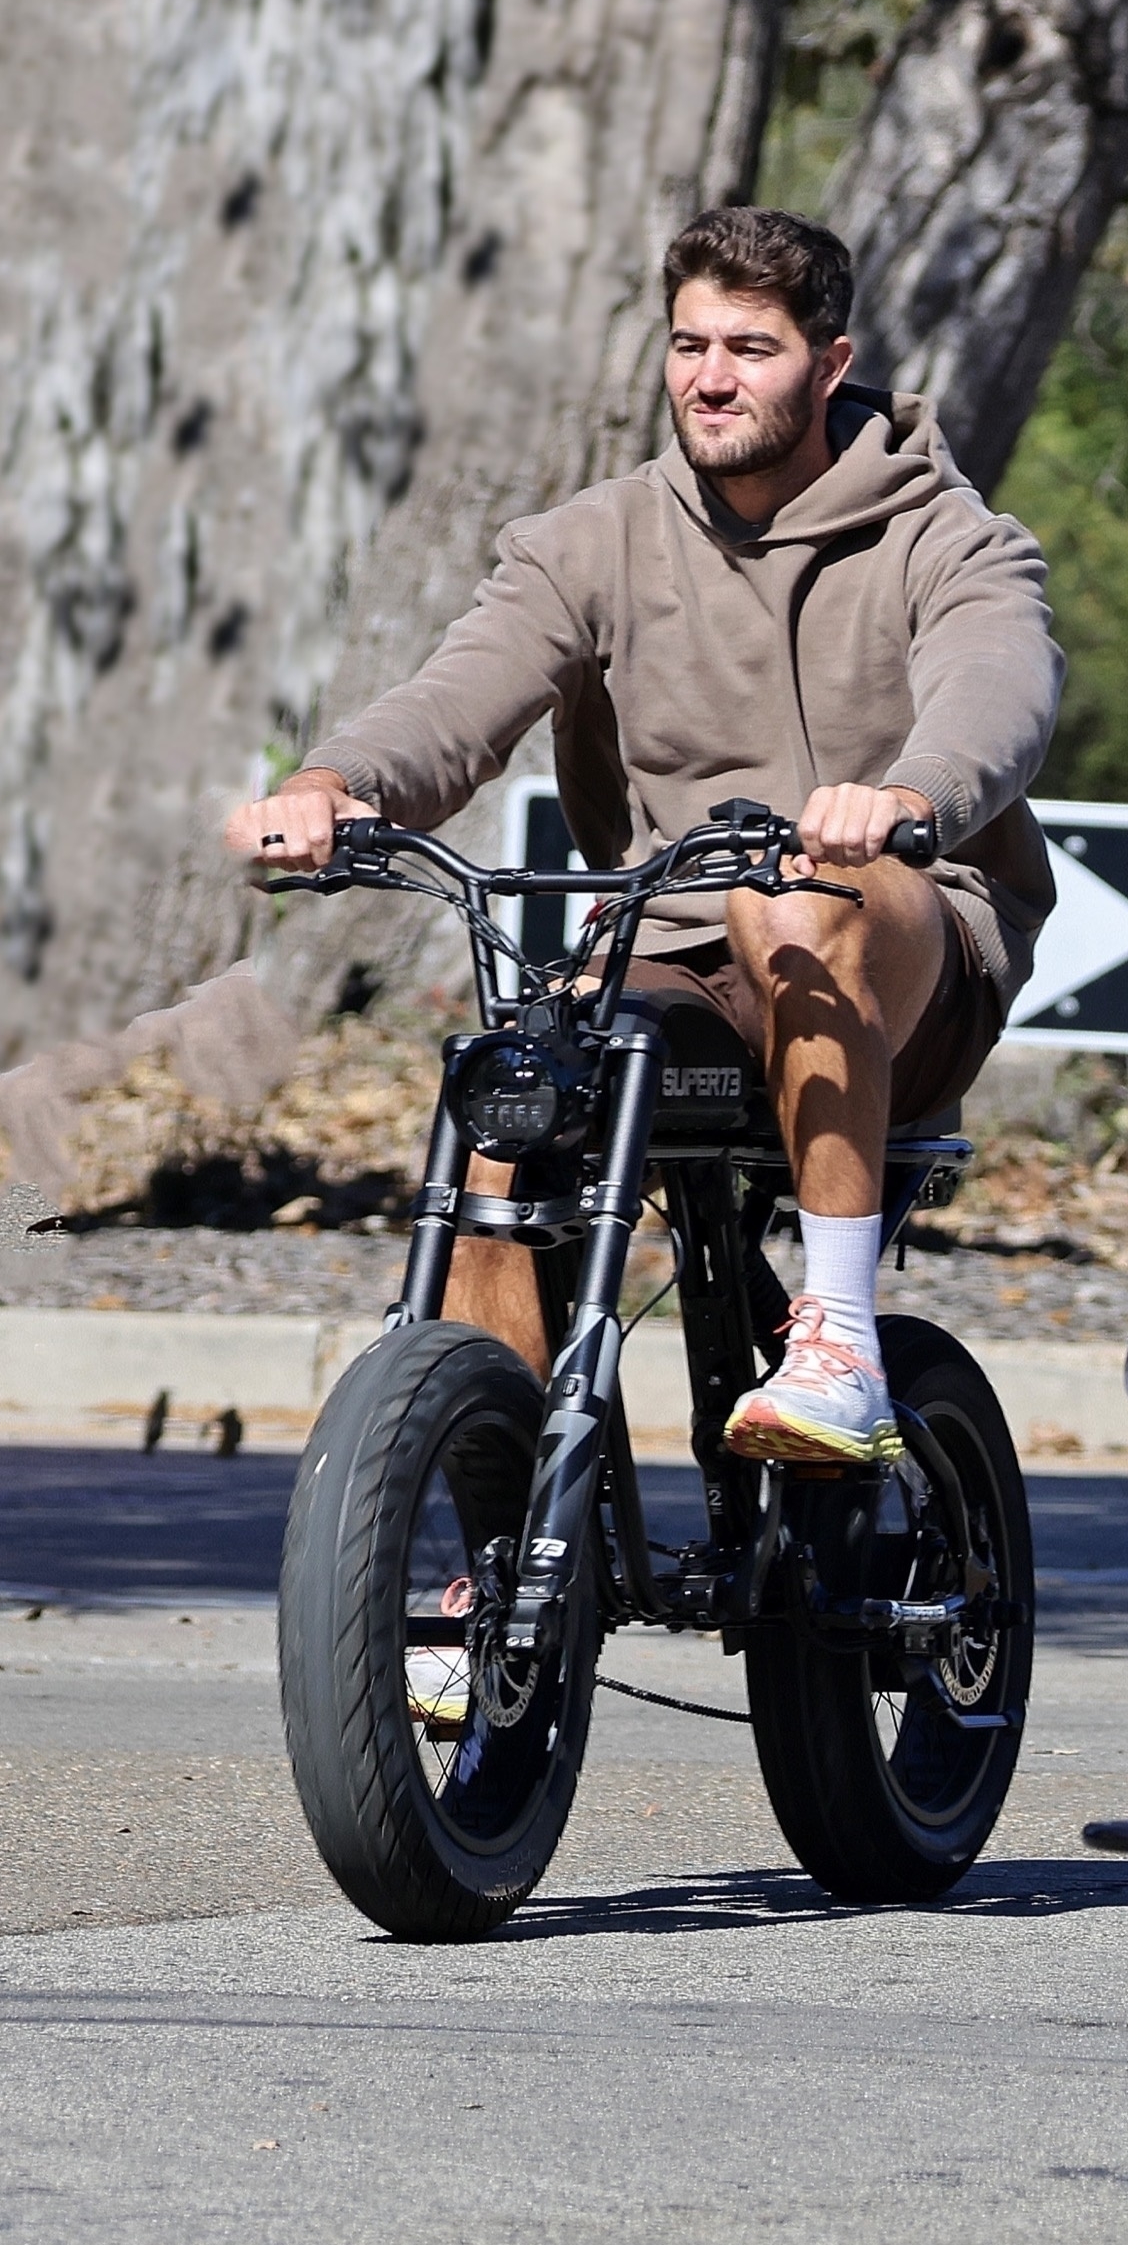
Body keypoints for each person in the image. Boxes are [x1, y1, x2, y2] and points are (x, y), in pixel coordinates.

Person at [226, 206, 1062, 1465]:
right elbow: (461, 697)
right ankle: (495, 1536)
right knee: (511, 1098)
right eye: (686, 345)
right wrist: (336, 783)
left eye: (750, 347)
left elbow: (1001, 678)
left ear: (829, 365)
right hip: (677, 945)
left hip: (901, 933)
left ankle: (839, 1344)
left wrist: (910, 795)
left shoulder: (942, 534)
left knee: (793, 901)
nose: (710, 378)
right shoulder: (593, 540)